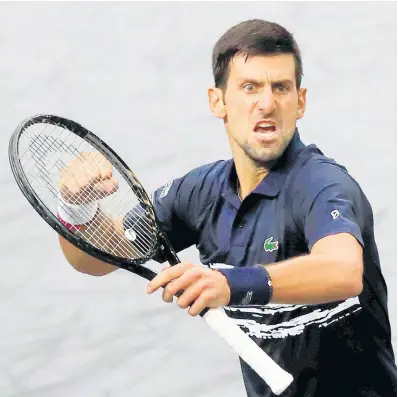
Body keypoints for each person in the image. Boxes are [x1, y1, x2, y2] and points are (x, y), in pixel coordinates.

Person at [58, 19, 397, 397]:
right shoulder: (200, 195)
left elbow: (344, 270)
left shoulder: (323, 185)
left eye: (281, 88)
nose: (267, 103)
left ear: (300, 103)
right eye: (249, 87)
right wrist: (77, 210)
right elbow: (97, 259)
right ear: (217, 101)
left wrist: (228, 284)